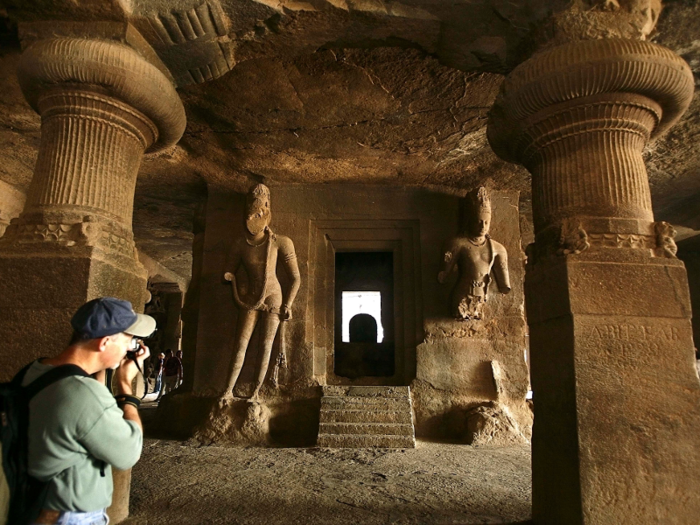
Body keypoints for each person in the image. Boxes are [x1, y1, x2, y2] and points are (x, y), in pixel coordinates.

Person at [23, 296, 154, 525]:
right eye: (129, 341)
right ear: (104, 343)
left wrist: (101, 367)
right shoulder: (82, 394)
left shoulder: (34, 371)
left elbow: (83, 413)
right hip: (69, 515)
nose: (129, 349)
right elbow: (128, 452)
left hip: (34, 502)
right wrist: (125, 385)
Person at [223, 183, 301, 400]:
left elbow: (295, 278)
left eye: (259, 212)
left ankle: (255, 394)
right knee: (241, 344)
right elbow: (229, 270)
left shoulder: (281, 242)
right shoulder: (240, 244)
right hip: (250, 297)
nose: (255, 217)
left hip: (273, 296)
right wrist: (232, 279)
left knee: (265, 348)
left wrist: (288, 304)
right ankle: (227, 390)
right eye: (252, 212)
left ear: (267, 212)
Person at [438, 186, 511, 320]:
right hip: (463, 296)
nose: (483, 226)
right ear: (469, 220)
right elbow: (443, 276)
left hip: (482, 298)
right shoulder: (458, 243)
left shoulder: (498, 248)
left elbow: (504, 285)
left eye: (486, 222)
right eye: (478, 221)